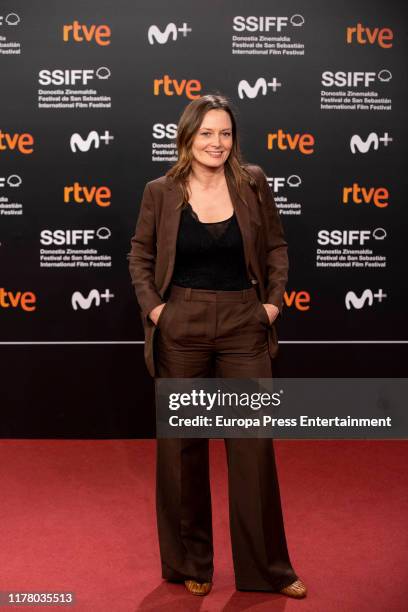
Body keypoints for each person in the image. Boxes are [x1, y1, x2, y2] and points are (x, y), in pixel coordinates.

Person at [127, 94, 307, 599]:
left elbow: (275, 246)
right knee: (182, 450)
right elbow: (139, 254)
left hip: (242, 324)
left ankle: (266, 569)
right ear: (187, 137)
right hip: (179, 322)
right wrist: (158, 310)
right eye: (206, 133)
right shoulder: (160, 191)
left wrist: (271, 306)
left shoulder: (251, 182)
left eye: (225, 133)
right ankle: (190, 562)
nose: (217, 143)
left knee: (253, 449)